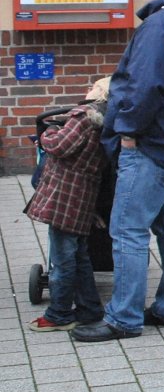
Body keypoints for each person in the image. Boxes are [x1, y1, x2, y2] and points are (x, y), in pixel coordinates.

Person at [73, 0, 164, 343]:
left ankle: (124, 317)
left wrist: (128, 131)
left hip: (151, 145)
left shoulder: (158, 26)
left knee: (127, 230)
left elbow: (144, 85)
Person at [24, 78, 111, 332]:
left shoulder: (83, 116)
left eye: (93, 85)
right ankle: (89, 309)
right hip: (84, 194)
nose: (88, 89)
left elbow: (59, 146)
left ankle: (59, 314)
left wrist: (48, 133)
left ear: (100, 92)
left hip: (65, 195)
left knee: (62, 260)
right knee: (80, 256)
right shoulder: (107, 121)